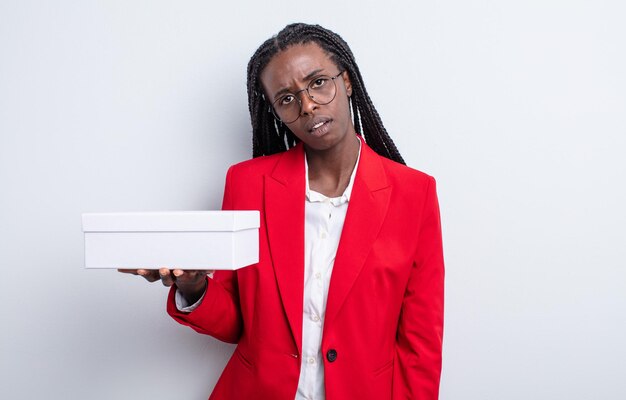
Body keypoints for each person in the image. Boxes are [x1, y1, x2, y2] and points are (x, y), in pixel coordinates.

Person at [120, 23, 444, 400]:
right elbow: (235, 323)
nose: (308, 105)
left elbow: (421, 344)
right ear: (275, 111)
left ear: (348, 81)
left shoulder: (414, 193)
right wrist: (192, 285)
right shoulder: (247, 184)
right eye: (287, 99)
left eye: (319, 82)